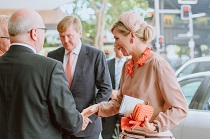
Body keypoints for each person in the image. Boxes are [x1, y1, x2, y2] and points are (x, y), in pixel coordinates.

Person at [82, 11, 189, 139]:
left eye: (117, 38)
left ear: (132, 36)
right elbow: (120, 103)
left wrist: (156, 125)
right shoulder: (128, 65)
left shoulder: (157, 64)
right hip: (129, 134)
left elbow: (180, 108)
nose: (115, 44)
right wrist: (96, 108)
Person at [0, 8, 89, 139]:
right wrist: (80, 120)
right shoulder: (50, 67)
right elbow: (70, 121)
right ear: (34, 33)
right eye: (43, 30)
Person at [47, 15, 112, 139]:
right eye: (62, 36)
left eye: (69, 35)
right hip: (59, 127)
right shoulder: (52, 56)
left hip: (88, 127)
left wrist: (87, 116)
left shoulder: (96, 55)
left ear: (80, 33)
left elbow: (106, 89)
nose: (65, 40)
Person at [102, 46, 126, 139]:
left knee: (124, 133)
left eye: (122, 48)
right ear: (114, 49)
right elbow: (101, 81)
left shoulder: (130, 64)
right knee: (106, 133)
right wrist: (110, 92)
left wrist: (120, 93)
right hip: (109, 102)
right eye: (118, 48)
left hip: (124, 103)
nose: (120, 51)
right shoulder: (106, 63)